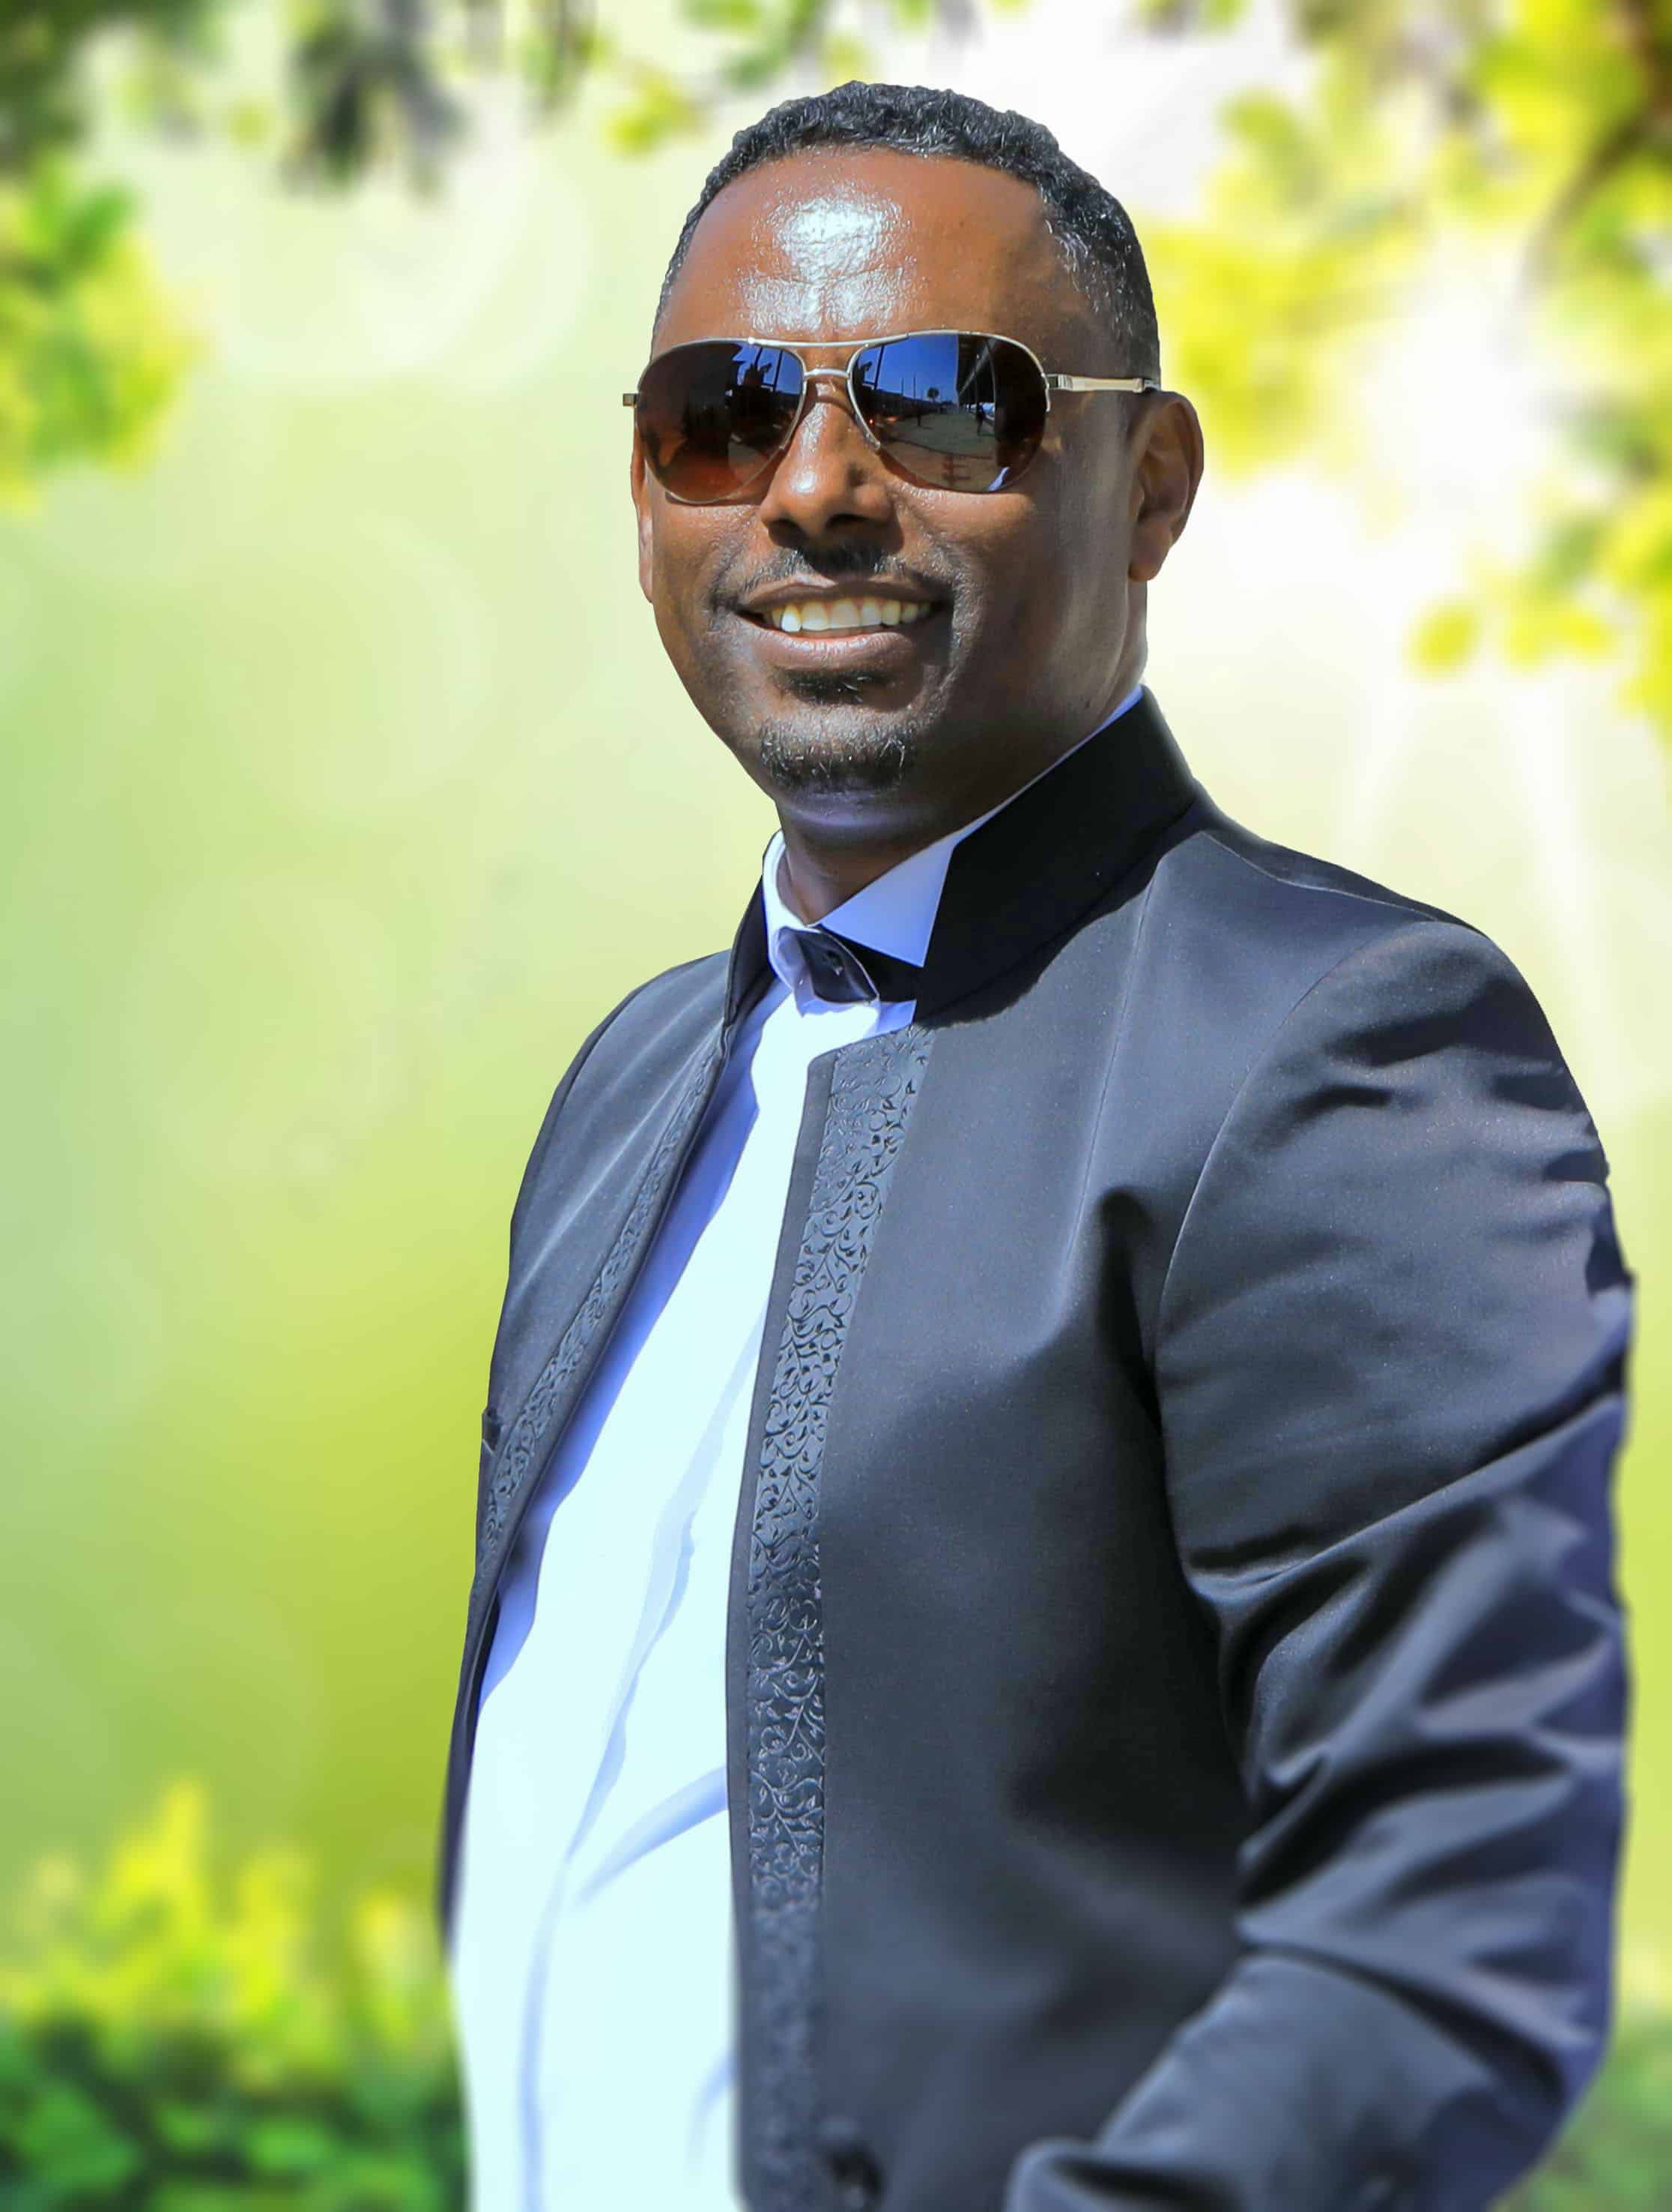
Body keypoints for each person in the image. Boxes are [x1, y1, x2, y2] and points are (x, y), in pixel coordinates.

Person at [437, 81, 1632, 2212]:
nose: (815, 488)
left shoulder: (1338, 1048)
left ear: (1149, 485)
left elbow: (1443, 1945)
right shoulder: (630, 1087)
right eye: (722, 417)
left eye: (941, 406)